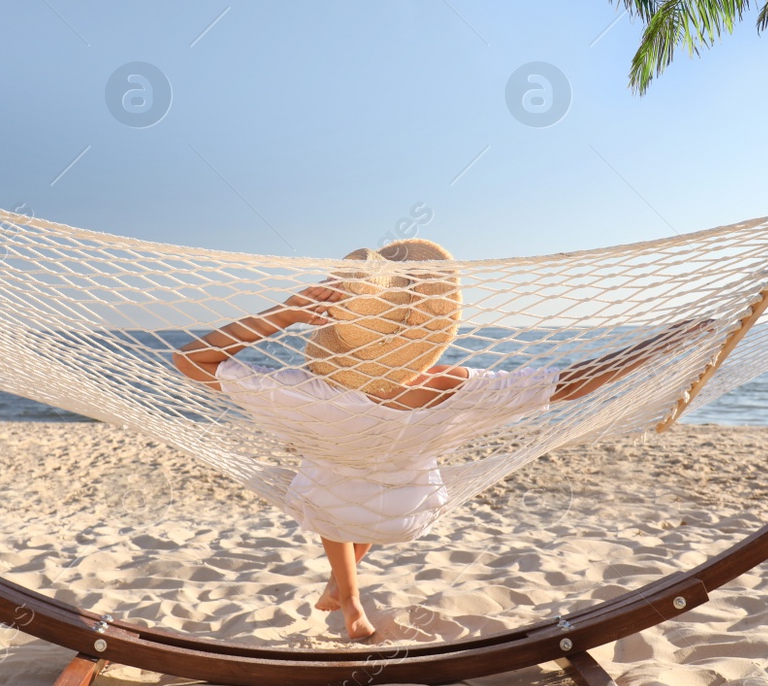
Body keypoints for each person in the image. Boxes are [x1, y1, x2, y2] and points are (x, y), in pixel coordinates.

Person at [172, 238, 711, 640]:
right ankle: (347, 595)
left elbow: (191, 361)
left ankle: (349, 596)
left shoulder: (307, 392)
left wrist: (287, 313)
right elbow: (571, 383)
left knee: (331, 474)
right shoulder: (456, 387)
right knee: (367, 476)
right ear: (425, 330)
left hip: (328, 504)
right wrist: (667, 343)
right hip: (405, 514)